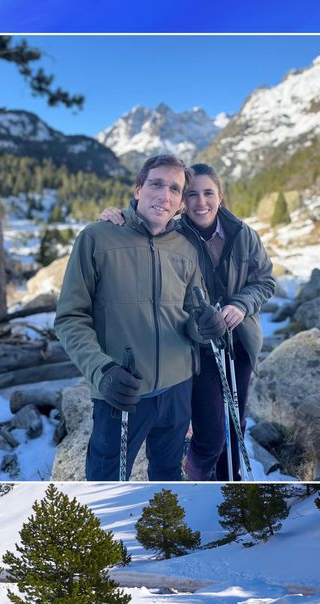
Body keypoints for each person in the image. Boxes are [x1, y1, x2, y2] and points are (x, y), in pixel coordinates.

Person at [99, 163, 276, 480]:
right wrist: (118, 215)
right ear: (182, 201)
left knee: (236, 420)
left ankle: (230, 480)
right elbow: (142, 227)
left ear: (220, 196)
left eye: (209, 193)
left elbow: (265, 281)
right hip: (196, 347)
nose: (201, 202)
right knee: (210, 434)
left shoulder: (243, 235)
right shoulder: (173, 233)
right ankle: (198, 477)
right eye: (192, 194)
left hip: (238, 343)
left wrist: (241, 305)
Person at [55, 154, 224, 482]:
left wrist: (205, 326)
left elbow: (193, 315)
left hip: (178, 389)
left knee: (168, 475)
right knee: (105, 481)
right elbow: (70, 317)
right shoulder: (97, 238)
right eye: (156, 184)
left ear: (180, 203)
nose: (165, 195)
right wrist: (101, 370)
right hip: (122, 389)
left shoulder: (186, 249)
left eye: (174, 189)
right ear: (138, 190)